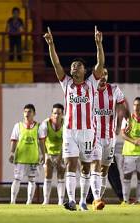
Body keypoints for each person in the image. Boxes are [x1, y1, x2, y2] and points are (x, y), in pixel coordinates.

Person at [43, 26, 105, 211]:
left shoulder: (92, 83)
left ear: (85, 70)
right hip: (70, 131)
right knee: (70, 164)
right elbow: (56, 64)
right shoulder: (67, 83)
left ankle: (84, 201)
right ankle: (71, 200)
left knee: (86, 167)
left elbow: (100, 64)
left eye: (77, 66)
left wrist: (99, 45)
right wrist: (51, 45)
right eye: (72, 66)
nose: (73, 68)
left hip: (87, 131)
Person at [90, 68, 128, 200]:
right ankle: (96, 199)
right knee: (95, 165)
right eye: (100, 74)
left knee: (104, 170)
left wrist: (120, 125)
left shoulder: (115, 90)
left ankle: (97, 198)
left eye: (105, 74)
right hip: (94, 137)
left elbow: (123, 106)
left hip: (110, 137)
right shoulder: (90, 90)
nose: (103, 76)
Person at [9, 104, 46, 204]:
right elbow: (14, 140)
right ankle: (12, 201)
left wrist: (43, 154)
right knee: (16, 179)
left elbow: (42, 142)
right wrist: (12, 153)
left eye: (29, 112)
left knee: (32, 180)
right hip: (20, 158)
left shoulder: (39, 127)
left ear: (34, 114)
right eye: (25, 111)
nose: (27, 114)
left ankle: (29, 202)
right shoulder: (18, 126)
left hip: (33, 158)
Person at [41, 103, 66, 205]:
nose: (56, 116)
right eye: (54, 113)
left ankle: (60, 201)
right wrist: (44, 155)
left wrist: (61, 156)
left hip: (62, 152)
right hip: (49, 153)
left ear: (62, 115)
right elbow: (41, 141)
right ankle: (46, 201)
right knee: (47, 175)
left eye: (59, 114)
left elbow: (66, 141)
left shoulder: (66, 124)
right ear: (51, 114)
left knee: (61, 175)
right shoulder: (45, 124)